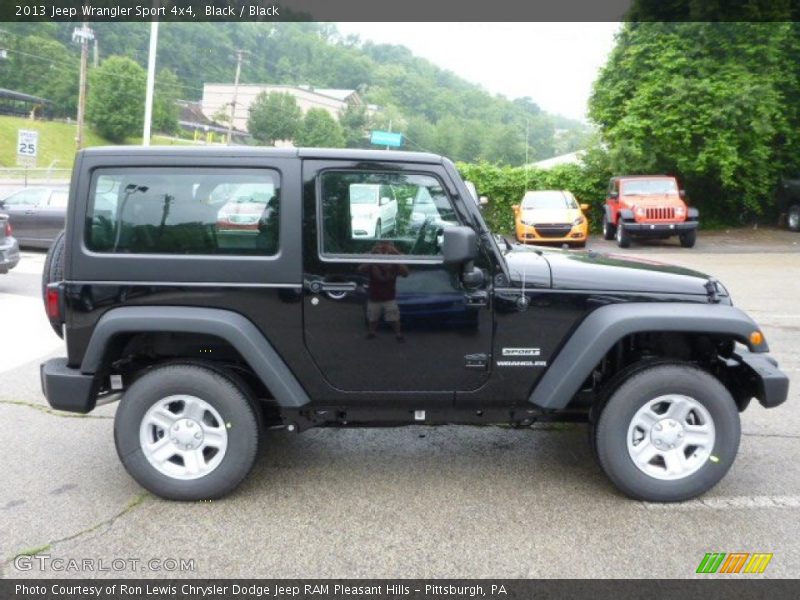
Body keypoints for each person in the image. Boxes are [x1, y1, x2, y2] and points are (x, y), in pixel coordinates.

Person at [358, 241, 409, 341]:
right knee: (372, 318)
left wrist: (396, 255)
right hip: (374, 296)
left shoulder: (394, 262)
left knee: (394, 318)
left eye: (387, 245)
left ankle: (398, 334)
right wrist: (373, 254)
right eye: (382, 246)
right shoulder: (373, 261)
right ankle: (372, 333)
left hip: (389, 297)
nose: (384, 248)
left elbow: (406, 273)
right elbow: (360, 270)